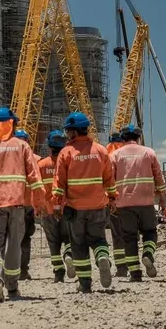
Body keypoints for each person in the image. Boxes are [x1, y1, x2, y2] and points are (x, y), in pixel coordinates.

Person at [0, 107, 43, 302]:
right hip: (17, 203)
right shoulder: (22, 146)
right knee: (14, 244)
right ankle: (12, 287)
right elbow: (34, 176)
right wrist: (38, 200)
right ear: (12, 124)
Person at [52, 112, 116, 293]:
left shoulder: (66, 152)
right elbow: (109, 179)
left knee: (78, 244)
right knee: (98, 239)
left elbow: (59, 182)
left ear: (73, 132)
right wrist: (112, 198)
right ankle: (102, 257)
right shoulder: (101, 150)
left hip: (75, 207)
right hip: (98, 205)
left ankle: (85, 282)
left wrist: (57, 205)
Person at [110, 124, 166, 281]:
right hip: (146, 201)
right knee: (150, 232)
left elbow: (109, 180)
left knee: (129, 238)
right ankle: (148, 253)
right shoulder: (149, 153)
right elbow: (159, 177)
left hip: (124, 204)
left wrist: (111, 200)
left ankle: (135, 274)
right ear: (138, 137)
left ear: (122, 138)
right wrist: (162, 197)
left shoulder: (115, 155)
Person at [37, 129, 73, 282]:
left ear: (49, 146)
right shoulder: (69, 162)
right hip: (67, 208)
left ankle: (59, 272)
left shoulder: (41, 164)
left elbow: (37, 188)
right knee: (69, 238)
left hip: (48, 209)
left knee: (53, 242)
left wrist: (38, 207)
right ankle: (69, 255)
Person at [13, 128, 39, 281]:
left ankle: (9, 270)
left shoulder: (5, 156)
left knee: (10, 238)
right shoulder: (36, 158)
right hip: (28, 205)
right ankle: (23, 271)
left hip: (10, 203)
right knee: (25, 240)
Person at [105, 130, 129, 277]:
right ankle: (134, 264)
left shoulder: (107, 152)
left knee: (117, 235)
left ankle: (121, 268)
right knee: (131, 234)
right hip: (132, 200)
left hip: (113, 200)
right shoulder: (127, 151)